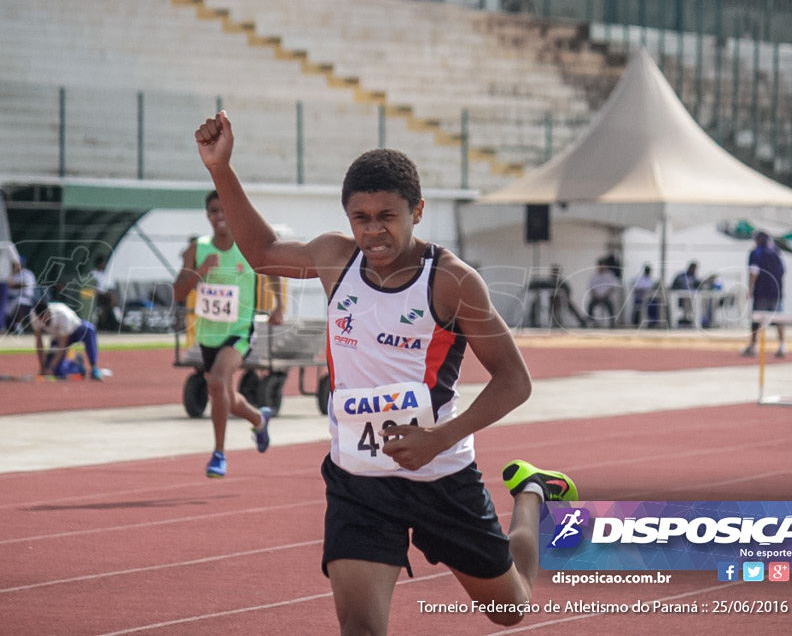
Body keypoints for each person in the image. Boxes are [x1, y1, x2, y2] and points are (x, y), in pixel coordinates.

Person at [194, 111, 578, 632]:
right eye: (361, 217)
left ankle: (531, 492)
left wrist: (438, 439)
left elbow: (515, 381)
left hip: (440, 475)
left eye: (387, 217)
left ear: (417, 211)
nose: (373, 231)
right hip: (360, 478)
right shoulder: (336, 258)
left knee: (510, 610)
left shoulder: (452, 282)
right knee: (361, 630)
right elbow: (262, 253)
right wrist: (221, 169)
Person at [172, 189, 285, 478]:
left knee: (220, 381)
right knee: (223, 394)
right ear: (207, 215)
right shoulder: (198, 248)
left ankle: (219, 454)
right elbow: (178, 292)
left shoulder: (247, 245)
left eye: (224, 210)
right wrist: (200, 270)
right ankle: (259, 419)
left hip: (239, 331)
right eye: (213, 211)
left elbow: (271, 268)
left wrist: (279, 306)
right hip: (208, 333)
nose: (219, 216)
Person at [30, 297, 103, 380]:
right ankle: (76, 364)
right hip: (57, 337)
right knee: (57, 373)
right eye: (40, 319)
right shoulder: (34, 316)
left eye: (44, 317)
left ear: (48, 312)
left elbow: (63, 346)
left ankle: (94, 367)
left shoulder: (62, 315)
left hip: (75, 330)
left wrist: (50, 368)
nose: (43, 321)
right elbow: (39, 343)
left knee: (89, 330)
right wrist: (43, 367)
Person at [742, 231, 786, 358]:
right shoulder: (776, 252)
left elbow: (754, 271)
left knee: (757, 319)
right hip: (776, 291)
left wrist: (750, 288)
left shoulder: (756, 253)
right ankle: (782, 345)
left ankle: (753, 345)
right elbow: (783, 271)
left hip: (761, 291)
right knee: (778, 319)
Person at [88, 254, 121, 331]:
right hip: (96, 295)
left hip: (104, 295)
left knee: (111, 300)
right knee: (110, 299)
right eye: (103, 263)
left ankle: (111, 322)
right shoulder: (93, 274)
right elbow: (92, 288)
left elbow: (105, 287)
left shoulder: (103, 275)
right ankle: (113, 322)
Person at [6, 256, 37, 333]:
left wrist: (13, 285)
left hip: (26, 299)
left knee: (20, 302)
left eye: (17, 264)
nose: (15, 265)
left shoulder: (27, 273)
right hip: (9, 299)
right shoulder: (10, 273)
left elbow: (25, 285)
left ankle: (18, 325)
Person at [586, 257, 619, 327]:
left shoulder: (610, 275)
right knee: (590, 306)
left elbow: (612, 287)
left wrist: (605, 295)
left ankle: (612, 323)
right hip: (596, 297)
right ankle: (592, 322)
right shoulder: (594, 275)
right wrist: (596, 296)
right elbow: (591, 288)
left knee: (611, 306)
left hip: (606, 297)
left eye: (603, 265)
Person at [670, 261, 700, 327]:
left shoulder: (694, 278)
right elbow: (674, 287)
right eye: (693, 268)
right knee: (686, 300)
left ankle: (687, 318)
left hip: (692, 297)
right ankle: (685, 318)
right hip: (679, 297)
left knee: (694, 300)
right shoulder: (682, 276)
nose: (694, 270)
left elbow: (698, 286)